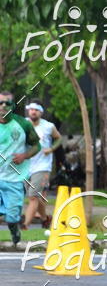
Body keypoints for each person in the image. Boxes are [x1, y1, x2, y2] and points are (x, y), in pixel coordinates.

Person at [0, 90, 40, 245]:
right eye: (0, 103)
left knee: (12, 218)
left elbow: (37, 145)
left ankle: (14, 231)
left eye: (7, 103)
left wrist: (24, 156)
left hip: (14, 180)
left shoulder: (23, 124)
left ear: (13, 105)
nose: (3, 106)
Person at [23, 100, 62, 230]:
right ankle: (45, 219)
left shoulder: (48, 126)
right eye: (31, 109)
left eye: (36, 109)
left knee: (33, 196)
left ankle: (25, 226)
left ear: (41, 112)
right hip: (26, 165)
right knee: (36, 196)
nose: (33, 111)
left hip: (43, 166)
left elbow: (59, 138)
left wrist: (51, 149)